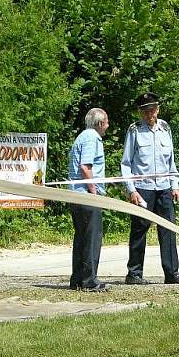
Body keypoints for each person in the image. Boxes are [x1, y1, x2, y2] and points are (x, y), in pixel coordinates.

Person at [121, 92, 179, 285]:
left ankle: (171, 273)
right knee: (139, 230)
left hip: (164, 188)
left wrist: (174, 185)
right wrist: (131, 189)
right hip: (142, 189)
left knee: (168, 230)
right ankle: (134, 273)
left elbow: (171, 162)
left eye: (152, 109)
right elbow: (126, 163)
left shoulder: (165, 128)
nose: (149, 114)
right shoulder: (134, 131)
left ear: (158, 109)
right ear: (140, 112)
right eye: (145, 111)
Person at [68, 107, 110, 292]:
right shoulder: (92, 138)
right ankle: (89, 281)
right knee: (92, 238)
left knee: (82, 238)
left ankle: (77, 279)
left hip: (76, 195)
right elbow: (85, 167)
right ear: (100, 123)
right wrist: (95, 193)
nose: (108, 126)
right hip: (86, 196)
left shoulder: (82, 136)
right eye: (107, 122)